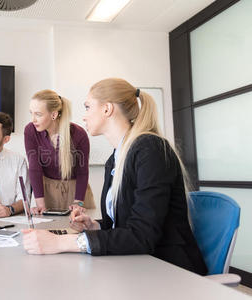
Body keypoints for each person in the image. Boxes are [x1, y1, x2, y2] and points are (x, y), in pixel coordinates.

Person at [22, 78, 207, 275]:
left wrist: (61, 242)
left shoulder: (150, 150)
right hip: (136, 265)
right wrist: (95, 226)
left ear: (107, 109)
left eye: (87, 107)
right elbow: (124, 223)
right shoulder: (116, 157)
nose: (83, 116)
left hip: (167, 270)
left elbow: (142, 235)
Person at [24, 89, 94, 214]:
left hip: (76, 192)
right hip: (48, 192)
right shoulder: (30, 131)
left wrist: (78, 202)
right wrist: (40, 204)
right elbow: (34, 168)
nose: (33, 119)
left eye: (38, 114)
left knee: (78, 230)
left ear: (54, 115)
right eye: (31, 113)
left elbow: (82, 172)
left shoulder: (78, 134)